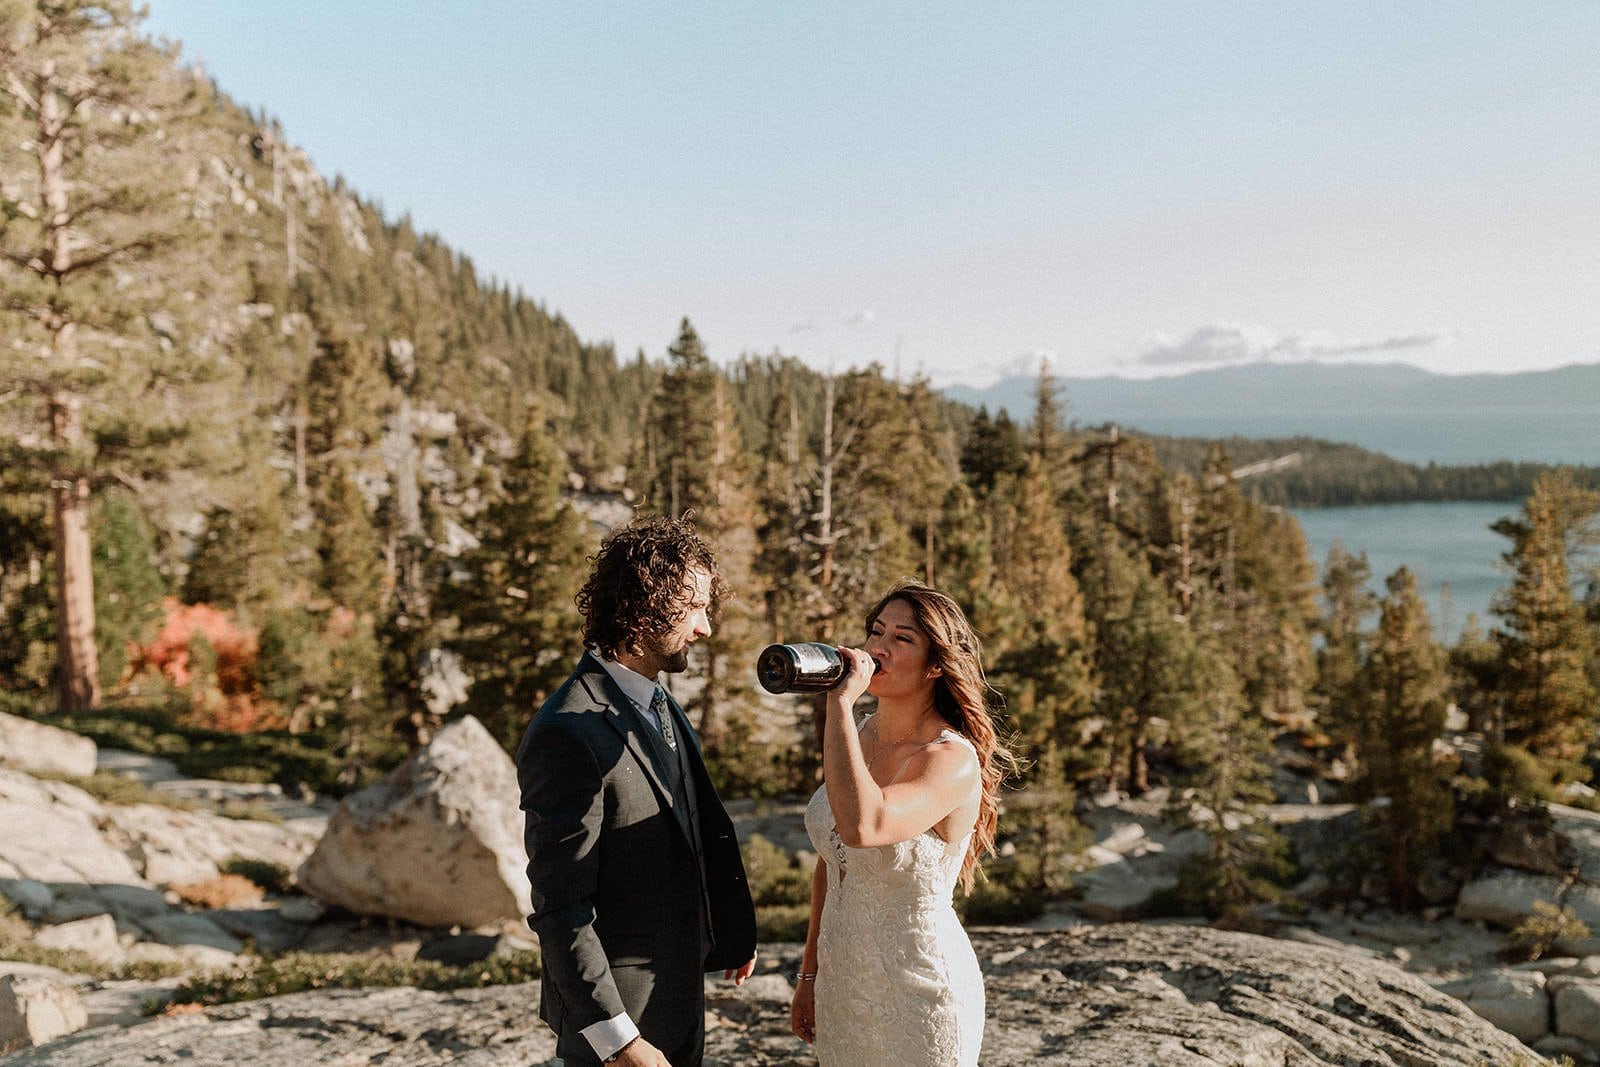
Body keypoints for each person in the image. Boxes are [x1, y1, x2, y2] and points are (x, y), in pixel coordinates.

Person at [518, 516, 757, 1067]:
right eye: (695, 609)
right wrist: (617, 1040)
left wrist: (727, 930)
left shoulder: (657, 699)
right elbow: (560, 907)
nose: (706, 628)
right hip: (620, 1025)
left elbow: (693, 825)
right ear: (646, 604)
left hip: (678, 999)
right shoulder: (567, 731)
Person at [790, 580, 1014, 1066]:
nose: (878, 649)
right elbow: (835, 861)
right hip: (844, 990)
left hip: (922, 996)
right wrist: (810, 975)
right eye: (877, 632)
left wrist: (838, 704)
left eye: (902, 639)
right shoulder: (862, 733)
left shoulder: (950, 760)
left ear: (936, 664)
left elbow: (864, 827)